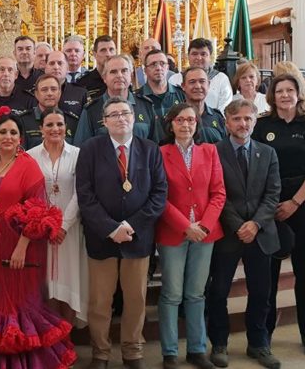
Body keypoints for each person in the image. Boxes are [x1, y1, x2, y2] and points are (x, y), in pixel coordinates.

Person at [0, 107, 76, 368]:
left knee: (18, 304)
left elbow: (38, 211)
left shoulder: (28, 166)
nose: (8, 136)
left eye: (13, 132)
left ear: (21, 138)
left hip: (20, 246)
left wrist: (22, 247)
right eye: (2, 132)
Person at [76, 98, 167, 369]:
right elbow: (85, 194)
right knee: (100, 302)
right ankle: (100, 353)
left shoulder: (150, 149)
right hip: (101, 238)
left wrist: (132, 226)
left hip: (137, 239)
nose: (120, 118)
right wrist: (110, 228)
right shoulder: (91, 149)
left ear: (134, 116)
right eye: (113, 115)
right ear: (104, 122)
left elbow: (159, 194)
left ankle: (132, 351)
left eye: (125, 113)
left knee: (136, 300)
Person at [252, 74, 305, 359]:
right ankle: (264, 336)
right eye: (279, 90)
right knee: (267, 276)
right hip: (269, 203)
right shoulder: (262, 124)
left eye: (290, 90)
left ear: (299, 93)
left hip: (304, 202)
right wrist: (270, 205)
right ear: (272, 95)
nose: (285, 95)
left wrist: (295, 202)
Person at [208, 99, 283, 369]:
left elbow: (273, 193)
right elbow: (215, 192)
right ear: (227, 122)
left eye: (248, 119)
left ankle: (259, 344)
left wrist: (256, 224)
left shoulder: (268, 152)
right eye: (237, 119)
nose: (243, 124)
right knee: (218, 290)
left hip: (260, 232)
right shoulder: (214, 152)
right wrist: (238, 224)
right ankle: (218, 343)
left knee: (261, 291)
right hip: (228, 232)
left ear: (255, 121)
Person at [155, 103, 226, 369]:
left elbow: (218, 193)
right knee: (172, 294)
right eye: (180, 120)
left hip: (204, 234)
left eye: (191, 120)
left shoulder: (209, 152)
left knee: (196, 293)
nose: (186, 125)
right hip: (173, 231)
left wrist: (204, 226)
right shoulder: (160, 153)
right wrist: (186, 226)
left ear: (197, 124)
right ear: (171, 124)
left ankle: (197, 349)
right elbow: (159, 196)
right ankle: (170, 352)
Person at [27, 108, 88, 326]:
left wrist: (62, 226)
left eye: (60, 124)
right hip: (41, 232)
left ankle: (66, 340)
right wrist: (44, 225)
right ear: (41, 129)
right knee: (48, 284)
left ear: (66, 127)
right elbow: (29, 193)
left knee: (70, 281)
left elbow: (81, 192)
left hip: (69, 231)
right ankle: (52, 341)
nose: (55, 129)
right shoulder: (30, 156)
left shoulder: (78, 154)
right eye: (50, 125)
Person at [75, 55, 156, 145]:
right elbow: (81, 149)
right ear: (104, 78)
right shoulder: (91, 110)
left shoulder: (146, 106)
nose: (119, 75)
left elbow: (157, 146)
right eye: (113, 72)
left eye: (124, 71)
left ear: (131, 75)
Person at [169, 38, 233, 112]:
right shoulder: (175, 79)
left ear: (210, 57)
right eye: (194, 54)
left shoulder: (221, 79)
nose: (199, 58)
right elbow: (171, 106)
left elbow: (226, 108)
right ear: (188, 56)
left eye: (203, 54)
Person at [19, 74, 80, 150]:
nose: (49, 93)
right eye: (44, 90)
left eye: (53, 89)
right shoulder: (23, 121)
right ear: (36, 94)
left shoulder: (72, 121)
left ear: (59, 93)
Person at [138, 49, 186, 141]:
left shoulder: (181, 95)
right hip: (149, 152)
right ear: (145, 70)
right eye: (153, 64)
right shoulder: (138, 97)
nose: (159, 68)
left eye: (162, 63)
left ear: (167, 68)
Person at [180, 67, 227, 143]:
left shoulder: (217, 117)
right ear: (183, 86)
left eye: (202, 81)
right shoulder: (176, 117)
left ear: (208, 85)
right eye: (192, 82)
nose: (198, 86)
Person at [43, 50, 90, 117]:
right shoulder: (36, 92)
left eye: (60, 63)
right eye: (52, 63)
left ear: (67, 67)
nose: (56, 67)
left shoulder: (81, 93)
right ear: (45, 67)